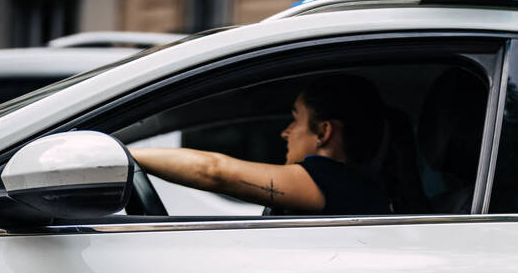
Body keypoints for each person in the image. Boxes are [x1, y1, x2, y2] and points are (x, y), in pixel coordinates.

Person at [131, 74, 392, 216]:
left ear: (324, 132)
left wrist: (125, 154)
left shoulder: (335, 181)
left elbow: (214, 171)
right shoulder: (361, 185)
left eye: (295, 119)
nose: (285, 132)